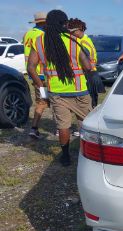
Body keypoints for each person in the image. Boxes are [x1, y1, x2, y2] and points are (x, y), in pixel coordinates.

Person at [27, 10, 92, 166]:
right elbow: (88, 66)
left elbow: (30, 67)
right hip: (79, 90)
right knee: (86, 123)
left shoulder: (39, 42)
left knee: (63, 126)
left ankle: (65, 156)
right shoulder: (73, 40)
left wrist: (40, 84)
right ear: (64, 23)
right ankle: (87, 154)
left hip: (56, 92)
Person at [23, 12, 48, 139]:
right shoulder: (43, 35)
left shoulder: (27, 34)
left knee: (41, 101)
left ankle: (34, 128)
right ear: (44, 22)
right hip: (44, 74)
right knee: (53, 101)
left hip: (33, 73)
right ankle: (60, 130)